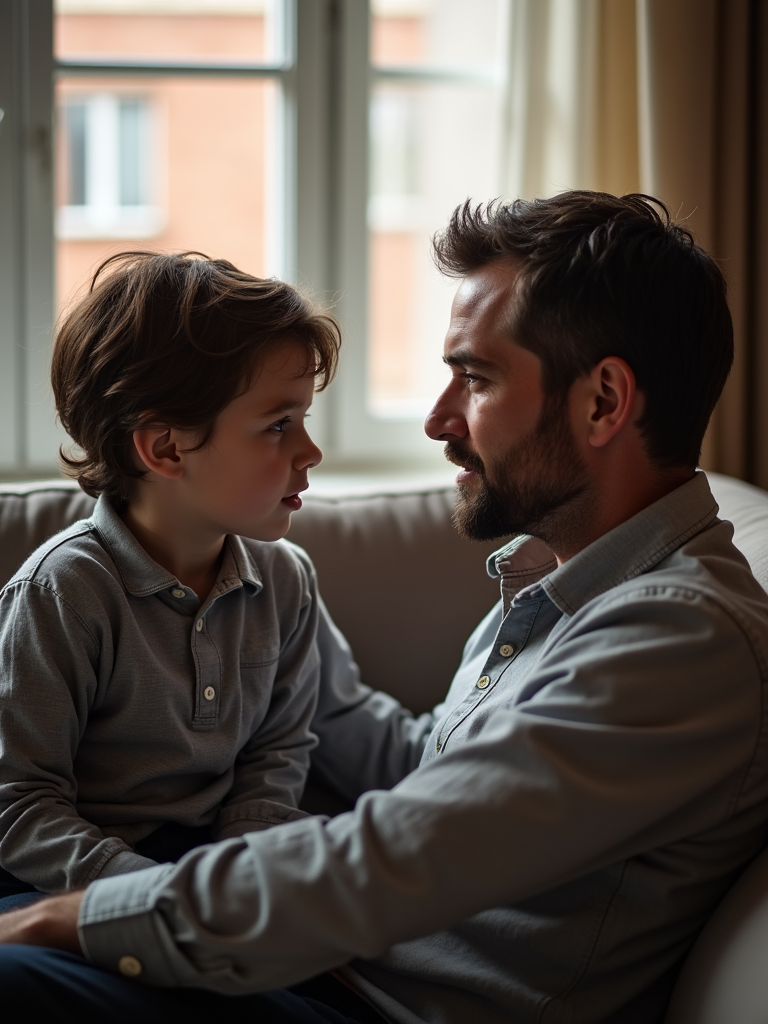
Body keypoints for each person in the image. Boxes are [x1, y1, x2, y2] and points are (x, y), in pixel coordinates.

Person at [1, 191, 767, 1024]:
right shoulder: (568, 583)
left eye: (475, 378)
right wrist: (274, 648)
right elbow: (431, 770)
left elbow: (397, 856)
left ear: (603, 402)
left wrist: (87, 913)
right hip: (321, 972)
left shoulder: (678, 638)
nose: (439, 420)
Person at [0, 252, 340, 909]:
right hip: (62, 879)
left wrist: (234, 884)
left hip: (207, 869)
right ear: (164, 448)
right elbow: (18, 803)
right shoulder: (64, 592)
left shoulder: (286, 580)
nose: (311, 453)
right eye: (278, 425)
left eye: (304, 419)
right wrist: (155, 897)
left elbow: (276, 758)